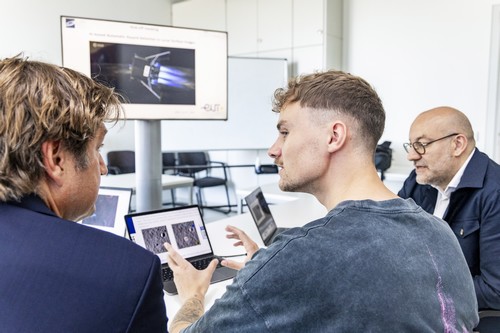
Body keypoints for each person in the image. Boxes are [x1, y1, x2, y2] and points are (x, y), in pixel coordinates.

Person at [164, 71, 479, 332]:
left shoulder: (301, 256)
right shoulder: (440, 233)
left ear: (334, 137)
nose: (274, 150)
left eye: (285, 132)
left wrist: (193, 295)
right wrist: (267, 274)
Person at [0, 56, 167, 332]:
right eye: (97, 149)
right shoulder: (128, 273)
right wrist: (192, 306)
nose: (102, 168)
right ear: (55, 159)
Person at [398, 107, 500, 325]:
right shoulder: (419, 180)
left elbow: (495, 290)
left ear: (458, 144)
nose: (411, 155)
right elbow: (392, 239)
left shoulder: (495, 193)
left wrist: (419, 287)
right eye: (411, 145)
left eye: (422, 145)